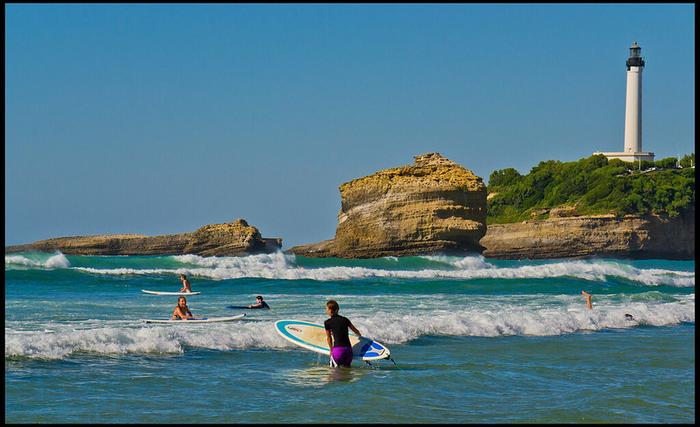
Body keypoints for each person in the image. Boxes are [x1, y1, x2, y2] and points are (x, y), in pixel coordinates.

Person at [324, 300, 360, 367]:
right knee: (347, 373)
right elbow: (356, 331)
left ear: (330, 310)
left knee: (334, 373)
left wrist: (331, 350)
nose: (326, 311)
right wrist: (360, 337)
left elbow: (329, 337)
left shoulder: (327, 322)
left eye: (326, 309)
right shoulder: (345, 319)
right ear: (337, 309)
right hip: (348, 351)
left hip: (338, 351)